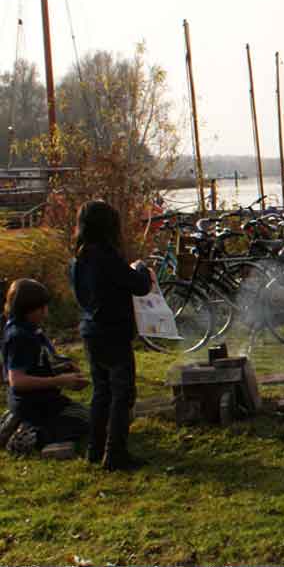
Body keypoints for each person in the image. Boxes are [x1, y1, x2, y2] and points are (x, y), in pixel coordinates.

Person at [70, 201, 154, 471]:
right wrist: (141, 268)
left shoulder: (78, 259)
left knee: (101, 392)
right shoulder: (106, 256)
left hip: (91, 331)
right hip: (113, 332)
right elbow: (140, 286)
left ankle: (95, 449)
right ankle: (115, 453)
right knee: (122, 394)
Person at [1, 279, 90, 456]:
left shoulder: (30, 330)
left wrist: (64, 368)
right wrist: (59, 381)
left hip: (40, 399)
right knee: (84, 419)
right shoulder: (19, 337)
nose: (45, 312)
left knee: (82, 413)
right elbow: (17, 381)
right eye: (40, 308)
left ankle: (19, 420)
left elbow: (37, 365)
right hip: (33, 403)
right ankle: (30, 436)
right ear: (26, 309)